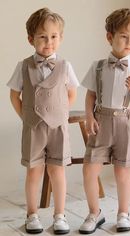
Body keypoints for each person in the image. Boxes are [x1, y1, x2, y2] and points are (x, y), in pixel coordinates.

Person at [79, 8, 130, 234]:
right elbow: (91, 94)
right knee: (89, 169)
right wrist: (89, 116)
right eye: (124, 36)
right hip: (100, 121)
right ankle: (95, 212)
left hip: (126, 122)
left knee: (122, 171)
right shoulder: (99, 66)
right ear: (110, 37)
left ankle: (124, 213)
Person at [7, 7, 79, 235]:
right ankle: (32, 214)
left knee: (58, 171)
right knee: (34, 172)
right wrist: (26, 117)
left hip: (57, 127)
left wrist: (62, 114)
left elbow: (71, 92)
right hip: (34, 128)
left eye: (54, 36)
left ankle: (60, 215)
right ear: (31, 39)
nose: (48, 42)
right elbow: (14, 95)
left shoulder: (65, 66)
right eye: (42, 37)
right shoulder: (24, 66)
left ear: (61, 38)